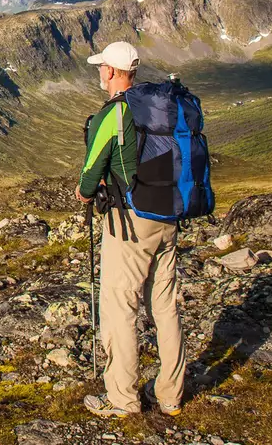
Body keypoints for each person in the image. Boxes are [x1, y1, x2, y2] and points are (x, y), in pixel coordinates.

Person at [76, 40, 186, 418]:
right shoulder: (155, 107)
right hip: (168, 217)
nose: (99, 73)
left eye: (100, 68)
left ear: (109, 71)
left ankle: (122, 399)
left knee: (120, 306)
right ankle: (171, 396)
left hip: (130, 223)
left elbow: (91, 171)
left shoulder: (115, 113)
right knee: (165, 305)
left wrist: (85, 192)